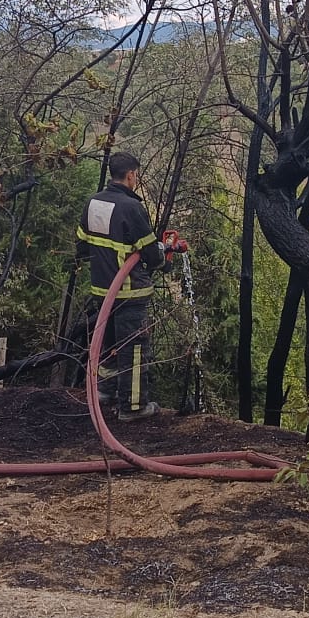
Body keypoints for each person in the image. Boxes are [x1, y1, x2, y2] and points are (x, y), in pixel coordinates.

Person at [75, 152, 184, 421]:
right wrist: (164, 258)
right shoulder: (131, 207)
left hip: (102, 291)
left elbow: (82, 247)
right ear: (131, 175)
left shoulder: (93, 203)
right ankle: (133, 407)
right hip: (130, 292)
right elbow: (151, 255)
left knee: (108, 344)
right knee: (133, 349)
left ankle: (105, 391)